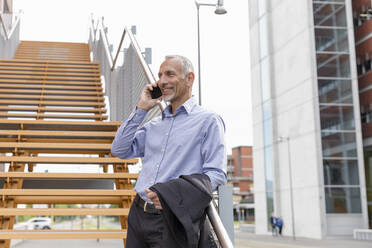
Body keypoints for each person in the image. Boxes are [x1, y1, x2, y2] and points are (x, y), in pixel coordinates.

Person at [111, 55, 227, 247]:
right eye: (160, 75)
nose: (162, 81)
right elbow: (119, 149)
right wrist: (141, 109)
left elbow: (216, 174)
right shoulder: (153, 125)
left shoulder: (208, 121)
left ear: (189, 79)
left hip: (173, 218)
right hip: (139, 215)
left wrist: (173, 194)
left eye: (170, 74)